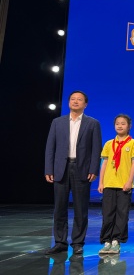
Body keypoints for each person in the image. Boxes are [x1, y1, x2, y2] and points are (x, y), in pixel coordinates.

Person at [44, 90, 102, 255]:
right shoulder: (57, 122)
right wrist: (49, 169)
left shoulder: (92, 123)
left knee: (80, 208)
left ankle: (77, 242)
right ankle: (60, 242)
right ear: (69, 102)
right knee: (59, 207)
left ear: (85, 104)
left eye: (79, 99)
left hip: (81, 168)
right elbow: (50, 147)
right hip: (60, 168)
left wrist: (93, 169)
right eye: (72, 99)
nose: (75, 101)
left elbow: (96, 148)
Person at [97, 114, 134, 254]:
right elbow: (104, 163)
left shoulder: (133, 143)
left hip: (124, 185)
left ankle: (116, 240)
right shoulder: (109, 143)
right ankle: (106, 241)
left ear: (129, 126)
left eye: (123, 123)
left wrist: (129, 181)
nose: (120, 126)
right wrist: (101, 182)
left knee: (122, 214)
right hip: (109, 183)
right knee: (107, 213)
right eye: (117, 123)